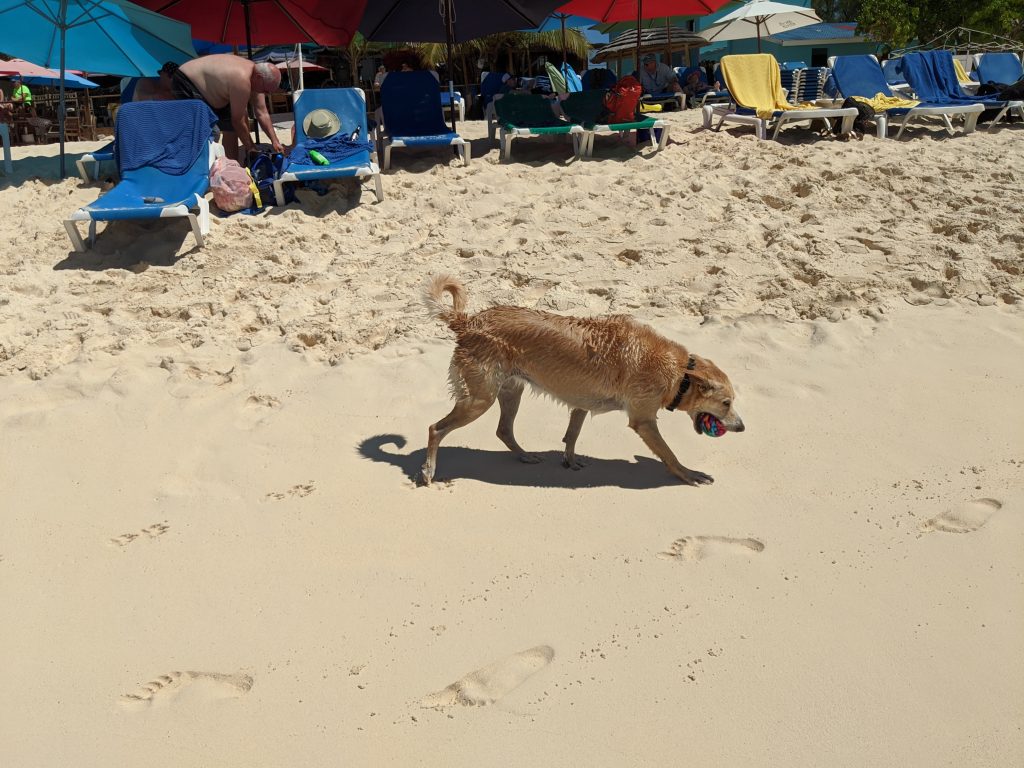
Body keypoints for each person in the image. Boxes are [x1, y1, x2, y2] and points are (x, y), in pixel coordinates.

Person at [171, 54, 283, 160]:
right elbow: (238, 121)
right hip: (186, 80)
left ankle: (231, 165)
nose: (265, 93)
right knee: (206, 131)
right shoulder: (242, 80)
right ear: (258, 77)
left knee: (231, 128)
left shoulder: (256, 77)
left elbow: (262, 112)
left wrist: (275, 141)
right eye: (265, 90)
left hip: (214, 90)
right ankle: (200, 168)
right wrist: (251, 148)